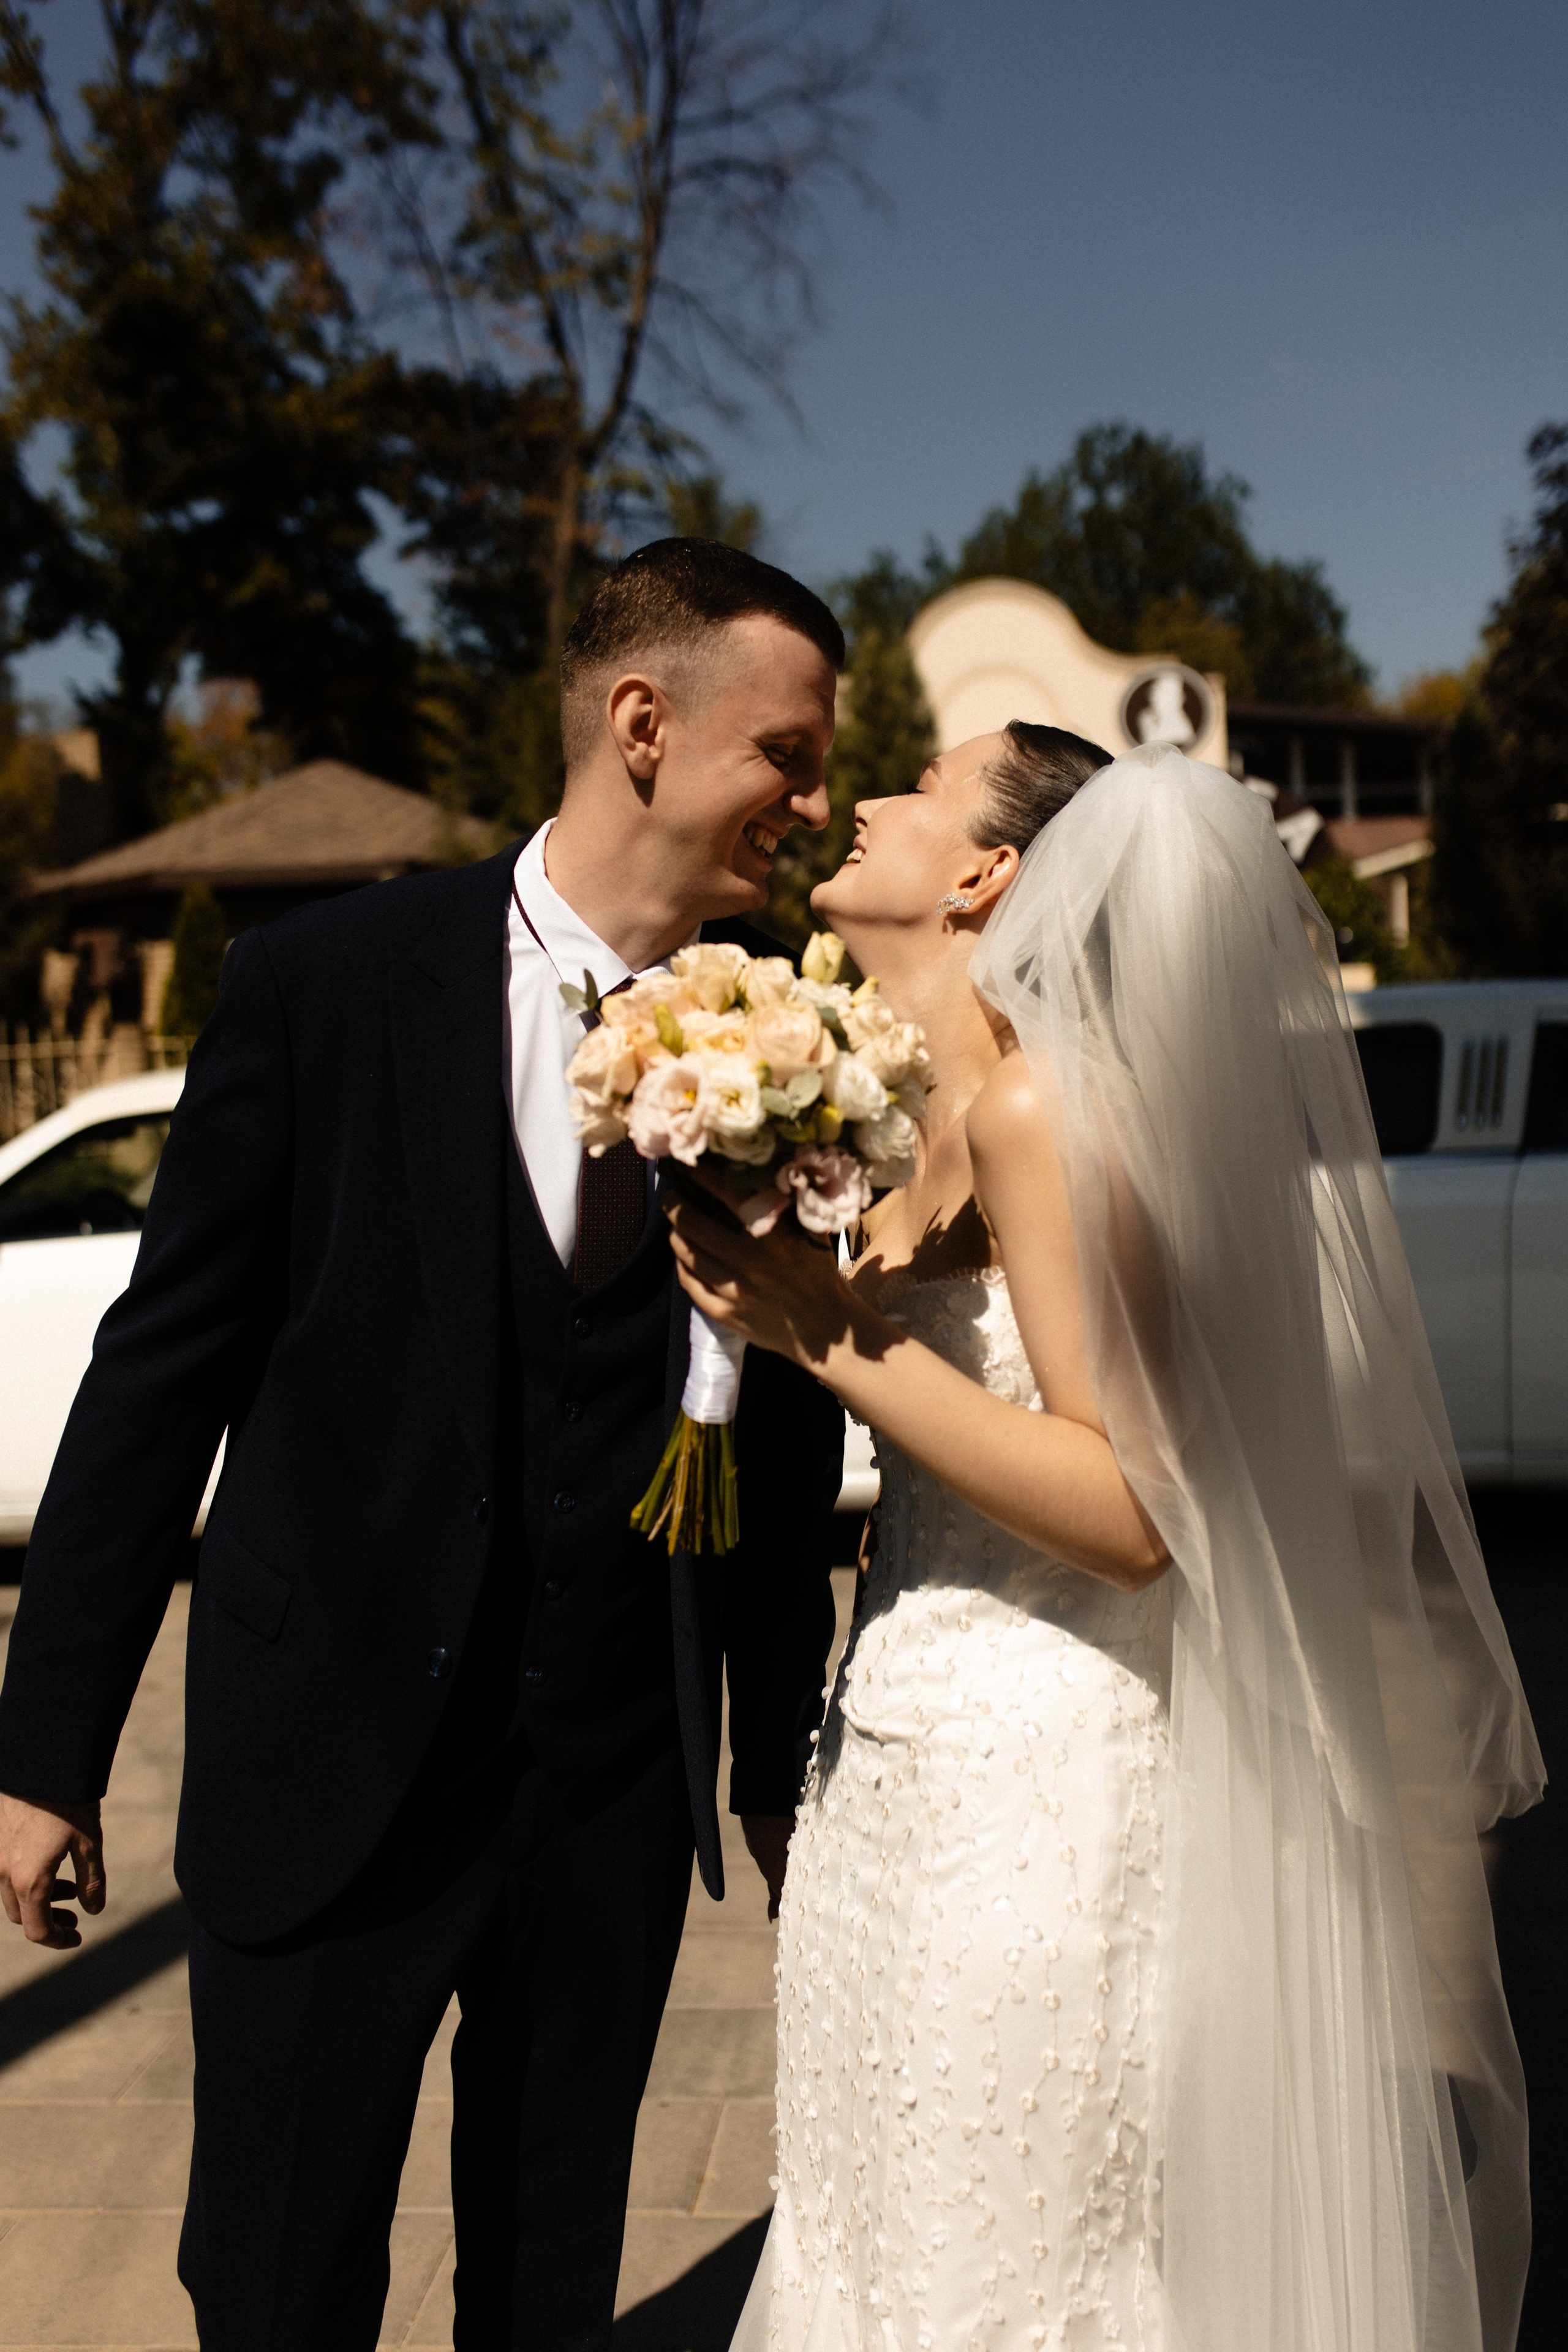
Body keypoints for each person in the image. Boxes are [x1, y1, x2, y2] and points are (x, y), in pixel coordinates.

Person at [0, 538, 848, 2350]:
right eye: (788, 749)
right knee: (283, 2282)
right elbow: (161, 1377)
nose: (817, 796)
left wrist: (774, 1759)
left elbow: (770, 1470)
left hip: (605, 1796)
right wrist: (44, 1750)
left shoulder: (792, 1037)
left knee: (549, 2292)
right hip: (324, 1778)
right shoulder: (328, 985)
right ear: (644, 725)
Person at [664, 729, 1544, 2352]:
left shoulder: (1046, 1103)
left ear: (993, 872)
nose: (866, 800)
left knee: (1010, 2262)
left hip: (1039, 1787)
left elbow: (1138, 1512)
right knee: (882, 2231)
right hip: (897, 1755)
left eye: (922, 785)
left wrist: (826, 1335)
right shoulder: (905, 1114)